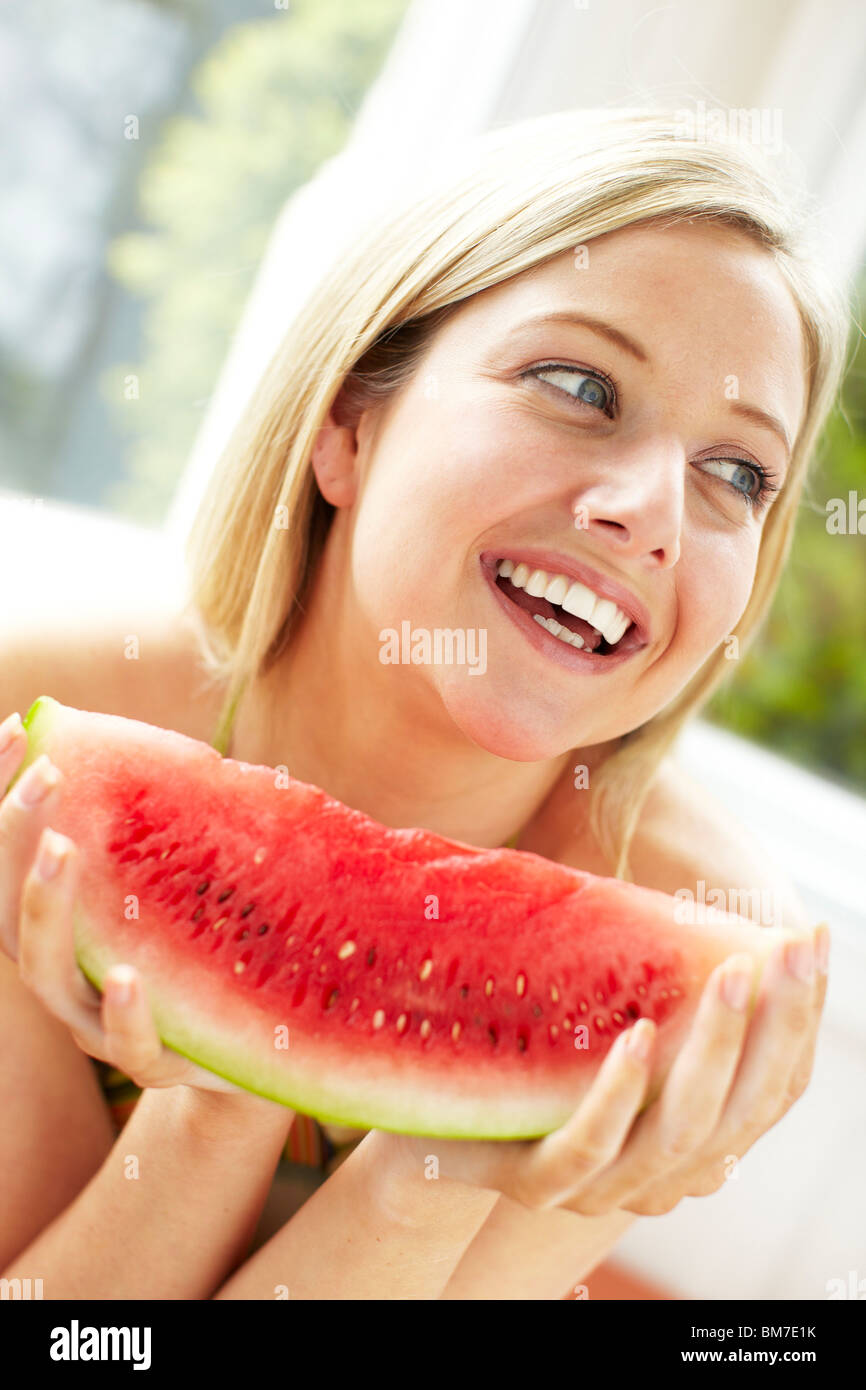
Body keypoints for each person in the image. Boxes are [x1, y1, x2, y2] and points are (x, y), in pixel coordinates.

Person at [0, 107, 847, 1299]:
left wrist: (432, 1177)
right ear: (349, 424)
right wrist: (212, 1116)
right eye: (577, 385)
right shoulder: (35, 736)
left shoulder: (703, 948)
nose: (654, 509)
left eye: (736, 473)